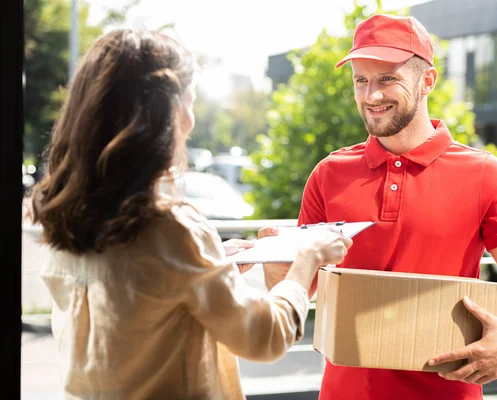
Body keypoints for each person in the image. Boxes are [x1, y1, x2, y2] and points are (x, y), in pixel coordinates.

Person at [30, 29, 353, 400]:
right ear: (164, 113)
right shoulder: (170, 228)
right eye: (191, 100)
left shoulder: (68, 217)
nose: (192, 119)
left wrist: (211, 265)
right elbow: (264, 337)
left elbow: (134, 307)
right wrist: (307, 260)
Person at [262, 14, 497, 400]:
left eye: (387, 78)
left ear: (427, 81)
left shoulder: (485, 174)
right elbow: (303, 291)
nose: (371, 95)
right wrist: (277, 264)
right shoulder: (328, 174)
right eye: (361, 80)